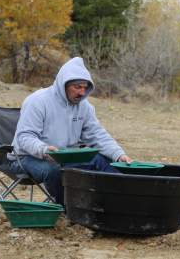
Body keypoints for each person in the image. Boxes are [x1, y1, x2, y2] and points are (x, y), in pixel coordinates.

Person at [9, 57, 132, 205]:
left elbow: (97, 135)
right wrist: (45, 150)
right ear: (64, 85)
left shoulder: (84, 107)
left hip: (66, 157)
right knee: (54, 170)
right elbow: (25, 137)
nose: (82, 92)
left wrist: (119, 155)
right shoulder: (38, 101)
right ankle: (70, 209)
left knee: (103, 161)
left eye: (85, 87)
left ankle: (120, 202)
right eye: (77, 87)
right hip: (27, 157)